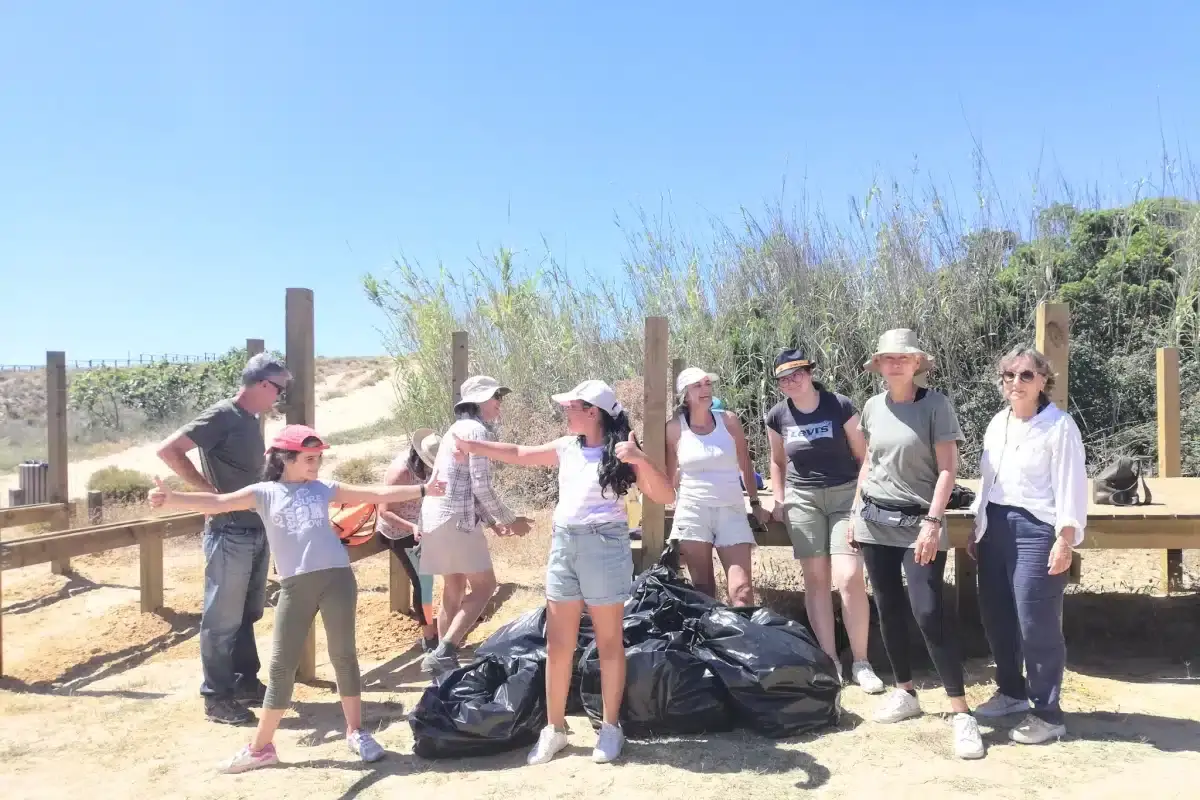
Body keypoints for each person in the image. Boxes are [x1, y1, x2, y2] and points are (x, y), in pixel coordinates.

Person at [148, 424, 447, 774]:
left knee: (344, 658)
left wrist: (424, 489)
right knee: (280, 667)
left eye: (319, 458)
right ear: (284, 458)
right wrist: (172, 499)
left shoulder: (323, 489)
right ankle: (261, 748)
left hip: (338, 579)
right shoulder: (262, 493)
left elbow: (375, 493)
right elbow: (218, 502)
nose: (316, 464)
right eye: (309, 458)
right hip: (295, 586)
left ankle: (357, 732)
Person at [456, 380, 675, 766]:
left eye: (571, 406)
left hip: (604, 546)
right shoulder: (566, 447)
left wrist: (640, 458)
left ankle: (610, 728)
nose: (564, 411)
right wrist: (475, 446)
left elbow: (665, 495)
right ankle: (554, 729)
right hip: (564, 545)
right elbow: (520, 453)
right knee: (559, 645)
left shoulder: (623, 453)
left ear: (593, 412)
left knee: (609, 642)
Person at [850, 329, 985, 760]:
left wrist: (933, 521)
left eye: (902, 359)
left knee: (928, 610)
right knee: (887, 608)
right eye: (887, 359)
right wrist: (854, 512)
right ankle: (904, 691)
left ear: (916, 364)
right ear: (880, 365)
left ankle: (962, 713)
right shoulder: (872, 407)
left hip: (920, 522)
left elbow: (948, 469)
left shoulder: (936, 405)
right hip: (875, 520)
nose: (894, 365)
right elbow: (869, 462)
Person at [156, 352, 291, 725]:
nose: (279, 397)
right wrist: (211, 497)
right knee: (222, 619)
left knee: (247, 613)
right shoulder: (222, 415)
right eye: (278, 389)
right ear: (263, 385)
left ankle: (245, 682)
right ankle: (216, 697)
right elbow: (169, 451)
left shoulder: (249, 419)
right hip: (230, 530)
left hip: (254, 527)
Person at [969, 347, 1087, 745]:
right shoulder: (997, 423)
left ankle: (1048, 713)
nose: (1015, 383)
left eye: (1025, 375)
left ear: (1042, 381)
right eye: (1008, 375)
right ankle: (1011, 692)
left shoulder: (1059, 427)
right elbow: (988, 482)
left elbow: (1071, 487)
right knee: (996, 615)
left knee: (1036, 623)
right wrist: (977, 523)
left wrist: (1065, 541)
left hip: (1038, 530)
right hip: (994, 526)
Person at [763, 348, 884, 694]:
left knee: (848, 577)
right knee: (815, 578)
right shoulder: (777, 416)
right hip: (803, 500)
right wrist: (779, 499)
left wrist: (862, 499)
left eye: (797, 373)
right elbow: (776, 461)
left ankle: (861, 661)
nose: (791, 381)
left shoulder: (839, 405)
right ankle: (829, 661)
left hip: (845, 495)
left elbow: (865, 456)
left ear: (810, 372)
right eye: (784, 377)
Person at [418, 375, 533, 675]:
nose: (499, 403)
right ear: (479, 401)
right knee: (485, 586)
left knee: (453, 587)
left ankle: (441, 663)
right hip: (456, 519)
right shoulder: (477, 431)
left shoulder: (454, 430)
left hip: (434, 516)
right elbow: (481, 486)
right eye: (496, 397)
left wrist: (494, 521)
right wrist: (510, 519)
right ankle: (445, 652)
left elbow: (465, 484)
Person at [666, 367, 764, 605]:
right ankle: (711, 642)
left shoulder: (729, 421)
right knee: (703, 590)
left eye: (707, 384)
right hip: (693, 511)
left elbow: (745, 463)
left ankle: (743, 642)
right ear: (685, 394)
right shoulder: (674, 428)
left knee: (742, 591)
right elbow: (668, 478)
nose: (705, 389)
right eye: (697, 385)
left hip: (731, 509)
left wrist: (754, 502)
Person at [376, 428, 442, 653]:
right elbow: (384, 511)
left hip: (422, 524)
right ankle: (429, 637)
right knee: (423, 581)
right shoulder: (401, 472)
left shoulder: (432, 466)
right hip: (399, 531)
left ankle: (438, 624)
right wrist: (412, 527)